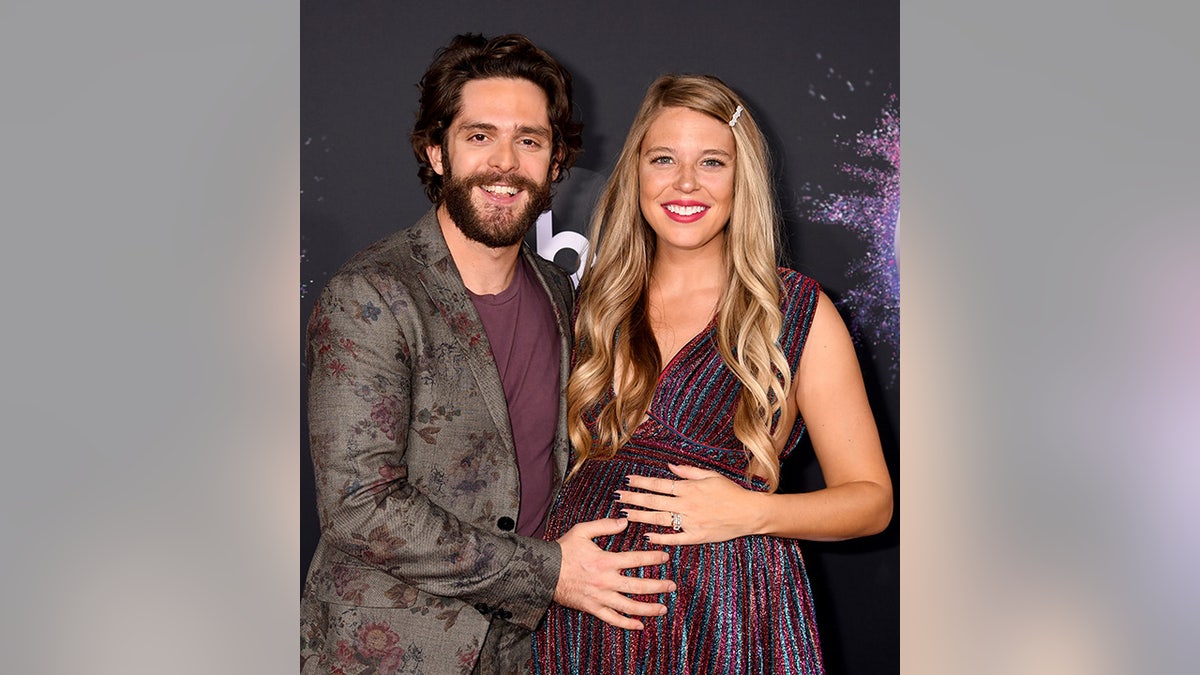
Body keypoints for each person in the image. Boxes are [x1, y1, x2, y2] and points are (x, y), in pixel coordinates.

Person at [300, 34, 676, 675]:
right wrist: (551, 573)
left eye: (529, 140)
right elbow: (359, 507)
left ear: (557, 162)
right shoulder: (372, 294)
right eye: (480, 136)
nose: (506, 164)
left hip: (528, 650)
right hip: (391, 652)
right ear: (436, 152)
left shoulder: (559, 291)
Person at [532, 75, 894, 674]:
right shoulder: (592, 303)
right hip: (582, 621)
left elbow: (871, 502)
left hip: (726, 616)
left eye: (712, 162)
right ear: (637, 174)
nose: (685, 184)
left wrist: (751, 512)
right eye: (664, 159)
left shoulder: (796, 312)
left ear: (741, 178)